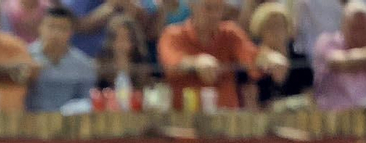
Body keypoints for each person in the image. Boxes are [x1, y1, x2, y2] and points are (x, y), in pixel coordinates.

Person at [158, 0, 286, 109]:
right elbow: (170, 62)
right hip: (186, 121)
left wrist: (270, 58)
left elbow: (250, 55)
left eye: (219, 9)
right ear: (193, 6)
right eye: (208, 8)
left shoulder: (230, 33)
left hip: (226, 121)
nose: (214, 15)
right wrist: (196, 63)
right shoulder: (173, 34)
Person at [312, 1, 366, 109]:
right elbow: (340, 62)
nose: (358, 34)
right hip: (334, 119)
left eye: (363, 28)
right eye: (354, 28)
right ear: (343, 26)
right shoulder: (326, 42)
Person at [27, 4, 94, 110]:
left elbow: (86, 101)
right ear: (40, 27)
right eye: (51, 26)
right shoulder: (25, 56)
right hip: (30, 122)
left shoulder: (84, 65)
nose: (56, 33)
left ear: (71, 33)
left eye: (62, 28)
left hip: (69, 123)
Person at [247, 1, 313, 106]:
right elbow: (250, 101)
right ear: (260, 30)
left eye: (280, 25)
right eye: (270, 26)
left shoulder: (300, 61)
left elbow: (309, 99)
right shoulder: (253, 62)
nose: (276, 31)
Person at [94, 12, 152, 92]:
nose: (121, 43)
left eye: (126, 38)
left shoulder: (142, 65)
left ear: (133, 41)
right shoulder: (100, 67)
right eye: (118, 38)